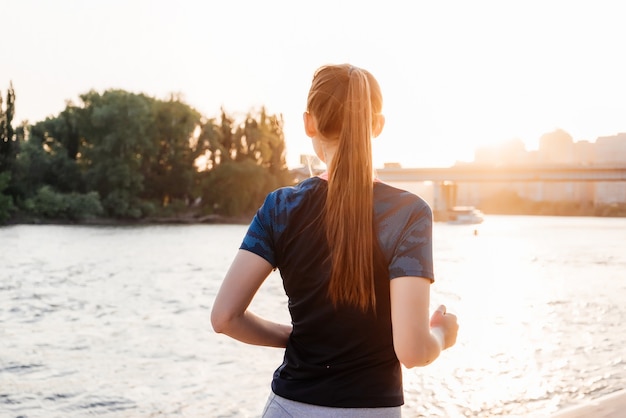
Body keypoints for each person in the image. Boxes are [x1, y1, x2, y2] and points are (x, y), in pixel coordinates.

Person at [211, 63, 459, 417]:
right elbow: (413, 351)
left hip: (288, 408)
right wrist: (443, 335)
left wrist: (293, 337)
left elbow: (225, 318)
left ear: (309, 122)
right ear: (377, 125)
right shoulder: (409, 214)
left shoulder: (280, 207)